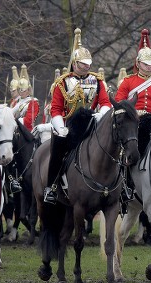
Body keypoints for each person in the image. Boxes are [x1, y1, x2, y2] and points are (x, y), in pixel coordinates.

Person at [43, 28, 112, 204]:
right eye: (82, 63)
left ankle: (120, 188)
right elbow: (56, 109)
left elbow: (105, 103)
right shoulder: (62, 83)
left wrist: (99, 116)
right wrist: (61, 128)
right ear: (75, 63)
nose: (86, 66)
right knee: (58, 149)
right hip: (69, 127)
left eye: (88, 63)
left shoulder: (98, 81)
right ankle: (51, 187)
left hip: (92, 124)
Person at [115, 28, 151, 204]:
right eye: (146, 64)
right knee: (131, 149)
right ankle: (127, 184)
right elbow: (119, 102)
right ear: (138, 63)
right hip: (134, 122)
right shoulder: (128, 82)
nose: (150, 67)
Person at [11, 64, 39, 131]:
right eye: (20, 90)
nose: (21, 92)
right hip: (15, 129)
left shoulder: (33, 102)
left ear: (28, 90)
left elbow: (29, 121)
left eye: (23, 90)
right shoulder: (16, 102)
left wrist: (14, 121)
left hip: (26, 131)